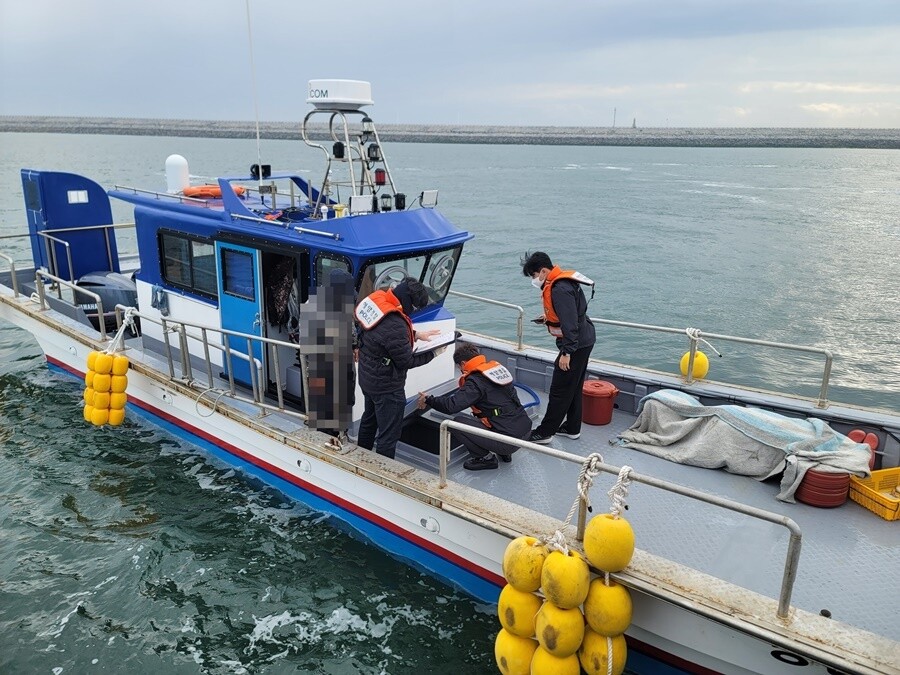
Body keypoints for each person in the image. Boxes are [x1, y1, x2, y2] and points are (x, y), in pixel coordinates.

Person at [355, 276, 442, 459]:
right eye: (415, 307)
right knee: (389, 434)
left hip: (367, 377)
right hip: (387, 388)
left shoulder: (377, 298)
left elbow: (380, 334)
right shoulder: (395, 323)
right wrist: (434, 353)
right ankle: (382, 472)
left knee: (369, 420)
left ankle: (361, 456)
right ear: (409, 302)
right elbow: (406, 361)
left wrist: (417, 334)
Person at [417, 342, 531, 470]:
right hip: (525, 430)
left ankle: (486, 459)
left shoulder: (475, 381)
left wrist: (428, 399)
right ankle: (504, 453)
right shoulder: (495, 371)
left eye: (460, 368)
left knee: (457, 423)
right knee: (495, 411)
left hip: (508, 442)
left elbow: (451, 406)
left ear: (463, 364)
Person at [521, 251, 595, 444]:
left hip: (575, 345)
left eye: (534, 275)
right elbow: (568, 315)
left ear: (544, 271)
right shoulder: (562, 283)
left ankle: (545, 432)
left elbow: (570, 324)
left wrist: (567, 352)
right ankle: (572, 428)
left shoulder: (559, 289)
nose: (534, 280)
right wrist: (548, 320)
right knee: (574, 386)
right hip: (584, 339)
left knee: (560, 389)